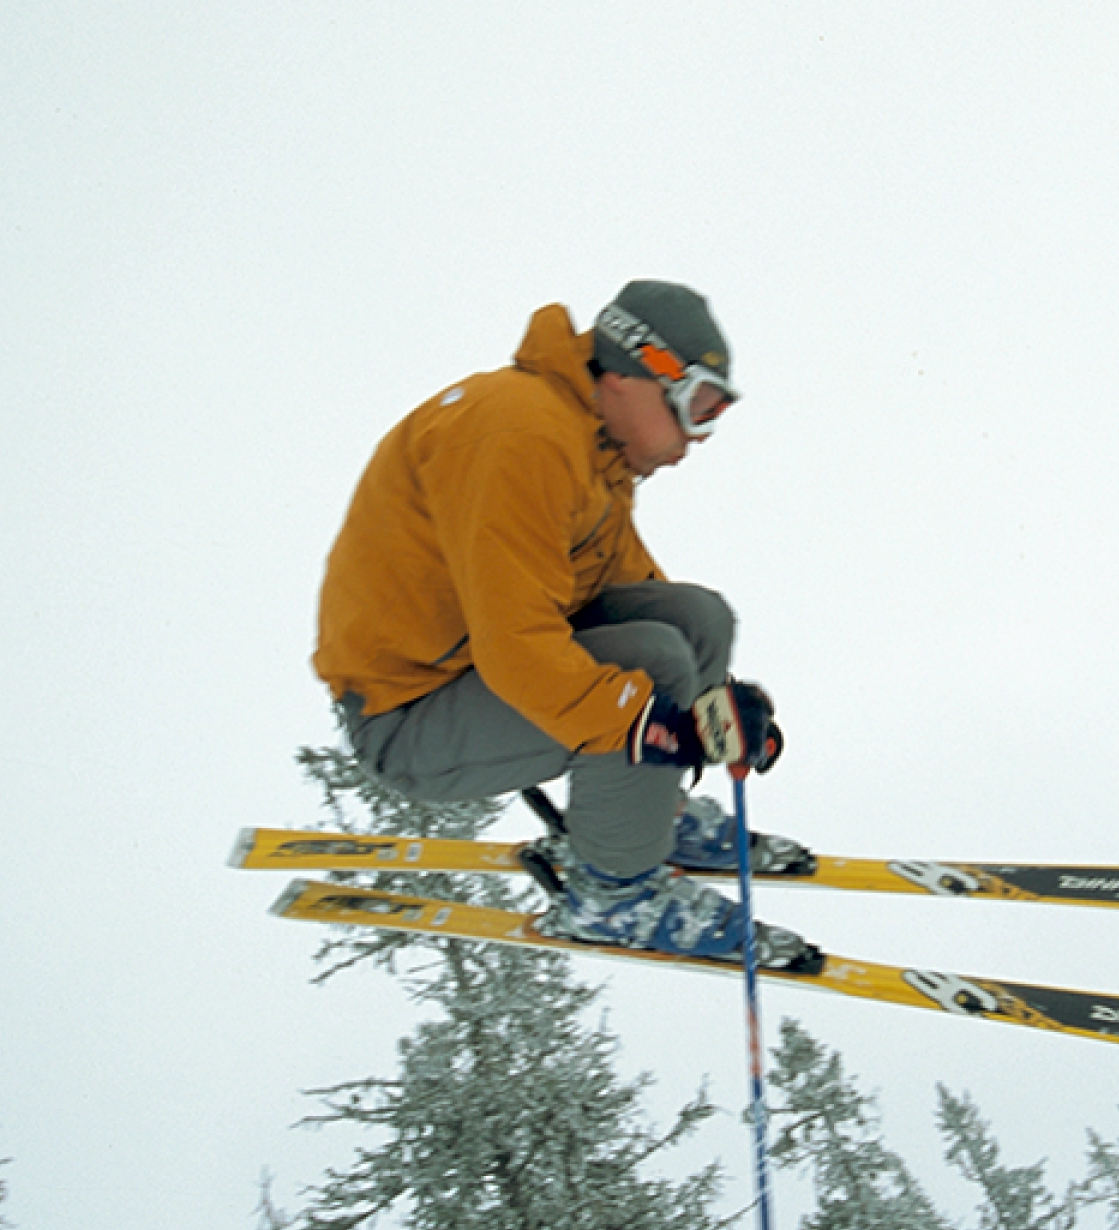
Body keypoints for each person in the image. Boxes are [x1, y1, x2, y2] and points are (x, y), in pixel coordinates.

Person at [313, 280, 816, 969]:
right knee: (646, 667)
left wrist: (715, 711)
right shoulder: (523, 434)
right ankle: (614, 896)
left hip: (476, 669)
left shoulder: (590, 446)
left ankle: (649, 815)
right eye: (697, 409)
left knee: (696, 620)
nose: (696, 440)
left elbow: (628, 588)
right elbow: (517, 647)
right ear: (633, 372)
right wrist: (652, 725)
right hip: (409, 714)